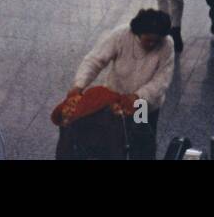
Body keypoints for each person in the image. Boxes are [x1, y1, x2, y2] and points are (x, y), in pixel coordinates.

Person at [67, 9, 175, 160]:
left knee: (141, 141)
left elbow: (162, 80)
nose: (151, 44)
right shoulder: (121, 35)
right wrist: (79, 85)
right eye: (148, 39)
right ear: (138, 32)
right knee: (113, 139)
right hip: (114, 99)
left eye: (155, 41)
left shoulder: (167, 44)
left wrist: (138, 96)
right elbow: (95, 60)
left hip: (143, 105)